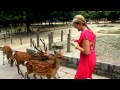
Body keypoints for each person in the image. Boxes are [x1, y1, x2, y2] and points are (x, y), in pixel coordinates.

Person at [70, 15, 96, 79]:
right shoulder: (90, 31)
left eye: (75, 25)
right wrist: (77, 41)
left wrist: (75, 44)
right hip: (92, 58)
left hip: (86, 60)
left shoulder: (84, 33)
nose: (75, 27)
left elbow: (86, 52)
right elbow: (89, 43)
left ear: (79, 24)